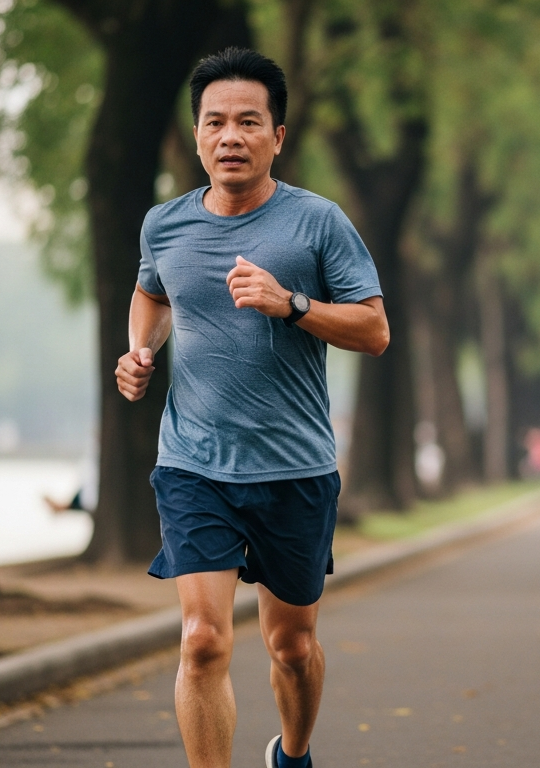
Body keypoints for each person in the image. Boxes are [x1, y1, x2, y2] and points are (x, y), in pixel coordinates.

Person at [114, 48, 388, 768]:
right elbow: (153, 292)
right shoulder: (164, 226)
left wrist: (291, 304)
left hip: (294, 467)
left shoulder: (317, 223)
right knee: (202, 641)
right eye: (215, 123)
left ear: (277, 136)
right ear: (197, 136)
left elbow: (375, 330)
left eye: (247, 122)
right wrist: (141, 350)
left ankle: (292, 753)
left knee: (290, 647)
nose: (230, 136)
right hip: (194, 464)